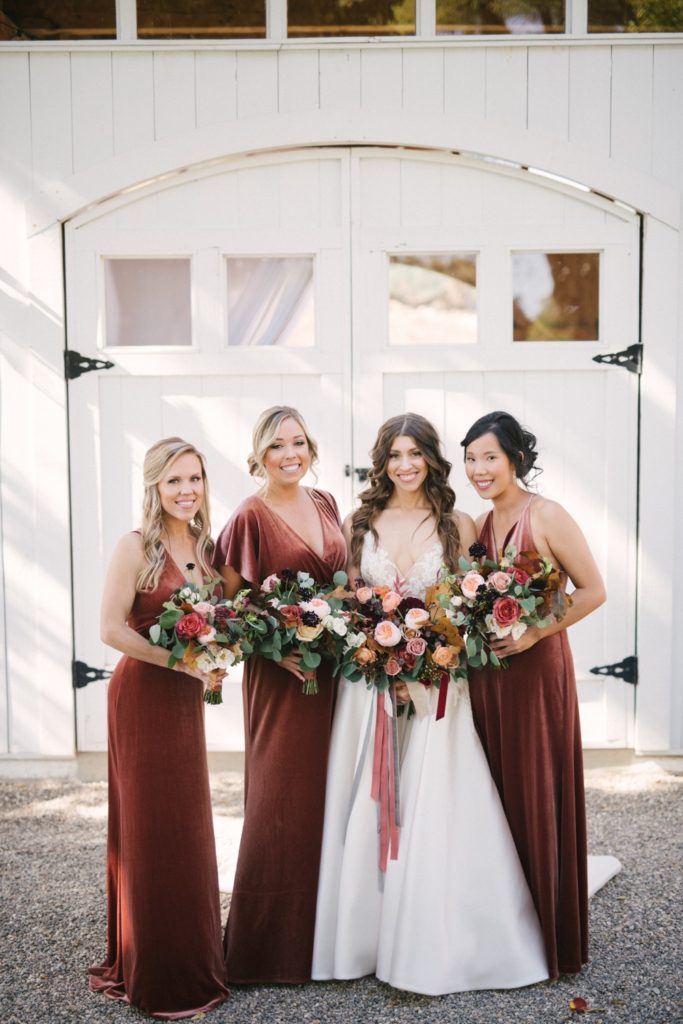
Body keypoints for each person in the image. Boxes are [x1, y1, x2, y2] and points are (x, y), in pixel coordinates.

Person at [312, 413, 549, 995]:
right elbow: (345, 601)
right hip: (370, 688)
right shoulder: (358, 521)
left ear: (432, 459)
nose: (405, 464)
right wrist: (373, 653)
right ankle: (363, 935)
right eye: (394, 454)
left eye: (416, 452)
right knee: (368, 801)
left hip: (439, 686)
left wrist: (433, 653)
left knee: (435, 801)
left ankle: (436, 937)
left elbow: (469, 603)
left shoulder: (458, 523)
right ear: (382, 461)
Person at [462, 410, 608, 979]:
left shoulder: (546, 515)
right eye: (471, 458)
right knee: (495, 788)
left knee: (535, 785)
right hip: (488, 675)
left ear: (516, 459)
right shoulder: (479, 525)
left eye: (490, 457)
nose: (479, 469)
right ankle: (507, 924)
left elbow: (594, 590)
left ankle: (552, 934)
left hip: (536, 668)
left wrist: (534, 632)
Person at [89, 437, 228, 1019]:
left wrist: (216, 658)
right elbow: (110, 630)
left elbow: (222, 618)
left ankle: (192, 957)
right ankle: (156, 970)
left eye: (194, 478)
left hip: (184, 698)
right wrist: (181, 663)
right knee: (150, 825)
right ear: (154, 486)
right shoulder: (135, 546)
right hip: (143, 694)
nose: (186, 490)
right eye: (174, 480)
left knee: (187, 822)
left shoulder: (206, 544)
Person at [215, 405, 346, 983]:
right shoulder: (249, 514)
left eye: (298, 442)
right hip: (284, 677)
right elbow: (229, 606)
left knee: (331, 795)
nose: (290, 454)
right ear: (259, 454)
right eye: (277, 446)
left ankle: (328, 941)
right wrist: (274, 649)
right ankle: (265, 949)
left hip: (338, 671)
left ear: (310, 447)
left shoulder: (326, 503)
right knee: (279, 800)